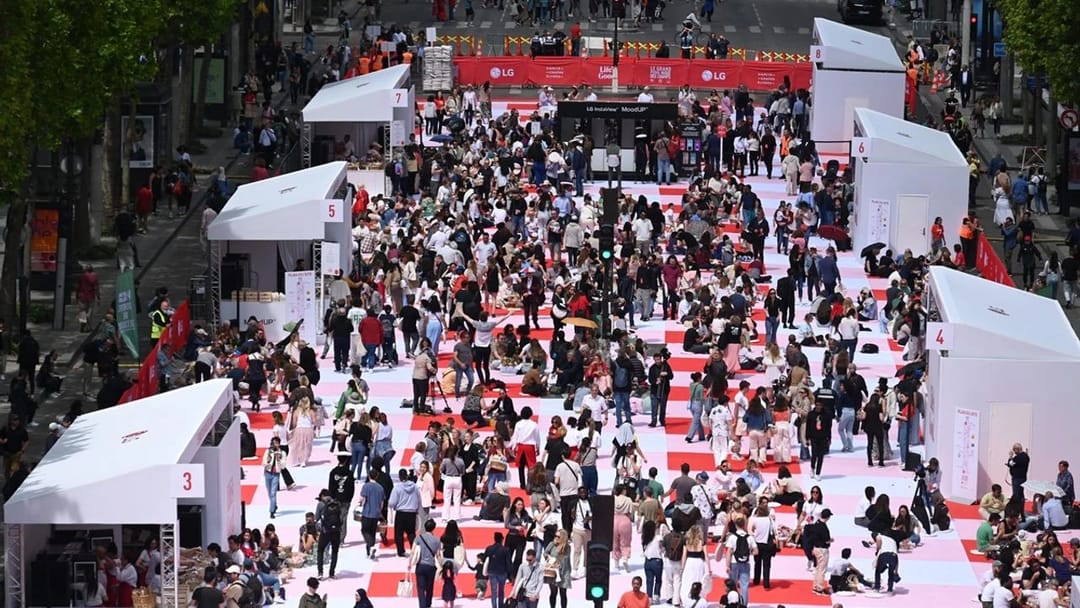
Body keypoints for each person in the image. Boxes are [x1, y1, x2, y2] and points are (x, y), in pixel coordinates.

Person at [411, 519, 442, 608]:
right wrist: (441, 565)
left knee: (420, 588)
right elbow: (438, 555)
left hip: (420, 565)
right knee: (429, 587)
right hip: (431, 566)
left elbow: (413, 552)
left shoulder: (419, 538)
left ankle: (422, 606)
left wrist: (410, 563)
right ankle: (428, 604)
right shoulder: (437, 540)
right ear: (433, 528)